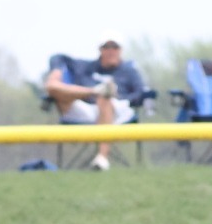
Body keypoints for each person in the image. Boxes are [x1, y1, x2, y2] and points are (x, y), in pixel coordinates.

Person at [43, 34, 149, 170]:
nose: (111, 51)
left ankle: (102, 159)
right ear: (100, 49)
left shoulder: (130, 71)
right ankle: (94, 91)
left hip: (118, 110)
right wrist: (56, 72)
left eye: (115, 47)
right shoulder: (87, 67)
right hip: (87, 107)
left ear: (120, 50)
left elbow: (139, 93)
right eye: (106, 47)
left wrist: (117, 96)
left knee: (105, 96)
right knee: (53, 87)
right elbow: (58, 57)